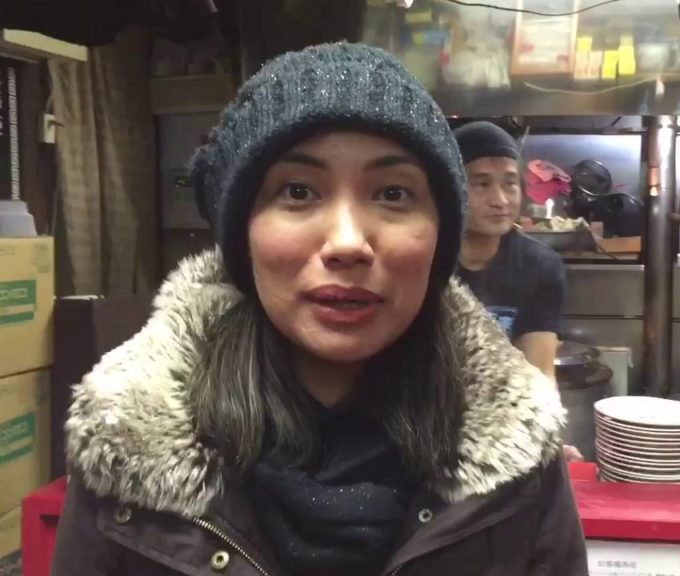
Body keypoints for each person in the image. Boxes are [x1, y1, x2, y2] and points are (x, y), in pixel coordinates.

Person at [52, 43, 586, 576]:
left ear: (439, 237)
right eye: (299, 191)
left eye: (394, 194)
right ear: (243, 236)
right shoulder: (125, 443)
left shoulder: (517, 457)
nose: (348, 242)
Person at [452, 121, 567, 380]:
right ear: (451, 189)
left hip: (502, 406)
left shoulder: (540, 266)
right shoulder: (424, 261)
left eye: (510, 183)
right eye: (481, 184)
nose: (500, 200)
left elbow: (539, 376)